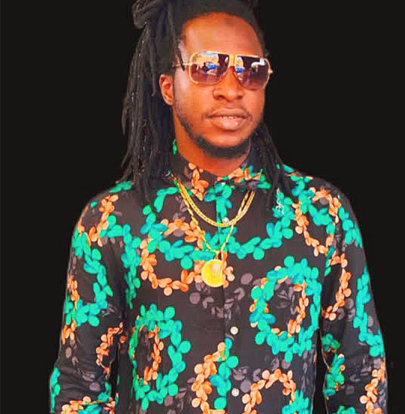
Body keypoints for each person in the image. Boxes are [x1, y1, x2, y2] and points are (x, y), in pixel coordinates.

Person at [49, 0, 388, 413]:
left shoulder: (321, 214)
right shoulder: (112, 221)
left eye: (251, 70)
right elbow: (79, 387)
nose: (232, 88)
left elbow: (361, 375)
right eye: (207, 67)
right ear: (168, 86)